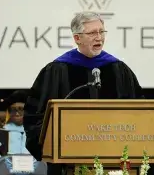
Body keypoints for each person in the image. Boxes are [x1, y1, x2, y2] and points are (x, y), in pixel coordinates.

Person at [23, 11, 144, 174]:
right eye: (93, 33)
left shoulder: (118, 69)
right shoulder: (56, 70)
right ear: (77, 38)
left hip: (114, 158)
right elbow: (37, 115)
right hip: (68, 160)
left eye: (102, 31)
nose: (99, 37)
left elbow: (138, 111)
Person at [0, 90, 46, 175]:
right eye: (13, 110)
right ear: (8, 113)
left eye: (21, 109)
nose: (17, 113)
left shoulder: (39, 135)